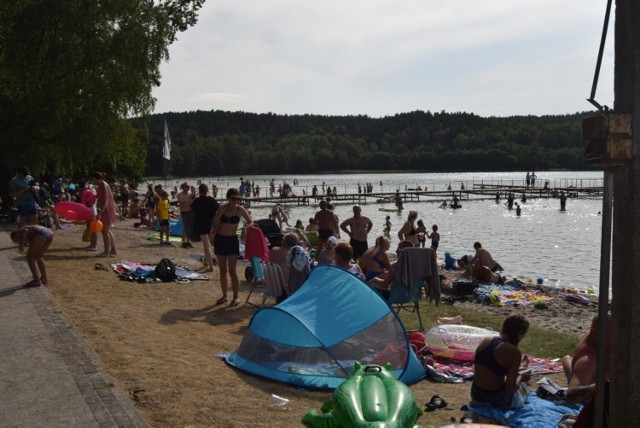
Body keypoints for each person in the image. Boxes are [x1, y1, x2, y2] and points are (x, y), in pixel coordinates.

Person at [471, 313, 531, 407]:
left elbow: (494, 366)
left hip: (475, 393)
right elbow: (510, 389)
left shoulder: (486, 340)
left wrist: (519, 366)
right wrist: (522, 377)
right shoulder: (514, 352)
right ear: (520, 333)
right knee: (521, 390)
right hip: (494, 398)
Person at [213, 188, 253, 307]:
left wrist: (245, 228)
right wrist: (219, 213)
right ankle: (224, 296)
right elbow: (215, 223)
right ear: (228, 198)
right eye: (233, 198)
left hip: (232, 240)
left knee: (232, 271)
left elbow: (251, 222)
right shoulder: (222, 208)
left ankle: (235, 297)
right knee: (222, 271)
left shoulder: (240, 209)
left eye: (238, 199)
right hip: (220, 239)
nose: (236, 201)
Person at [190, 183, 219, 272]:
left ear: (199, 191)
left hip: (201, 225)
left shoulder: (197, 201)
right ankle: (207, 262)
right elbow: (219, 209)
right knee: (211, 245)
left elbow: (191, 208)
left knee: (206, 246)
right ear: (207, 191)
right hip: (211, 224)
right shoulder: (212, 200)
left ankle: (211, 266)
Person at [91, 172, 117, 258]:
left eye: (94, 180)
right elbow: (99, 197)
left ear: (98, 178)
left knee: (104, 231)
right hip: (105, 209)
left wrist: (99, 213)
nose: (93, 182)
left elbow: (105, 202)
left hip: (107, 209)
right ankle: (113, 250)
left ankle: (106, 252)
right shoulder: (100, 186)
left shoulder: (104, 186)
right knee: (108, 230)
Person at [9, 166, 39, 235]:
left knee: (34, 218)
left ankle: (31, 235)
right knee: (23, 220)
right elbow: (12, 194)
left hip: (31, 201)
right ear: (19, 173)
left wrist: (36, 188)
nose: (26, 175)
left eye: (26, 174)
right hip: (22, 203)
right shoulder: (14, 181)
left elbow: (37, 186)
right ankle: (20, 237)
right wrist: (25, 189)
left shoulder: (29, 177)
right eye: (24, 174)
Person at [79, 180, 98, 251]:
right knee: (90, 228)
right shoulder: (84, 192)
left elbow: (92, 200)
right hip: (88, 211)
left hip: (92, 211)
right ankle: (91, 245)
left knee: (94, 229)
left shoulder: (91, 190)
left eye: (84, 186)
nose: (83, 188)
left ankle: (94, 246)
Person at [177, 183, 195, 248]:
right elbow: (182, 204)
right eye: (187, 186)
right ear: (183, 187)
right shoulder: (180, 195)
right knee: (185, 228)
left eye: (188, 186)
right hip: (184, 212)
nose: (188, 187)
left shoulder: (190, 193)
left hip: (190, 212)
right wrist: (188, 202)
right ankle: (183, 242)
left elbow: (193, 201)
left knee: (189, 227)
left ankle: (188, 241)